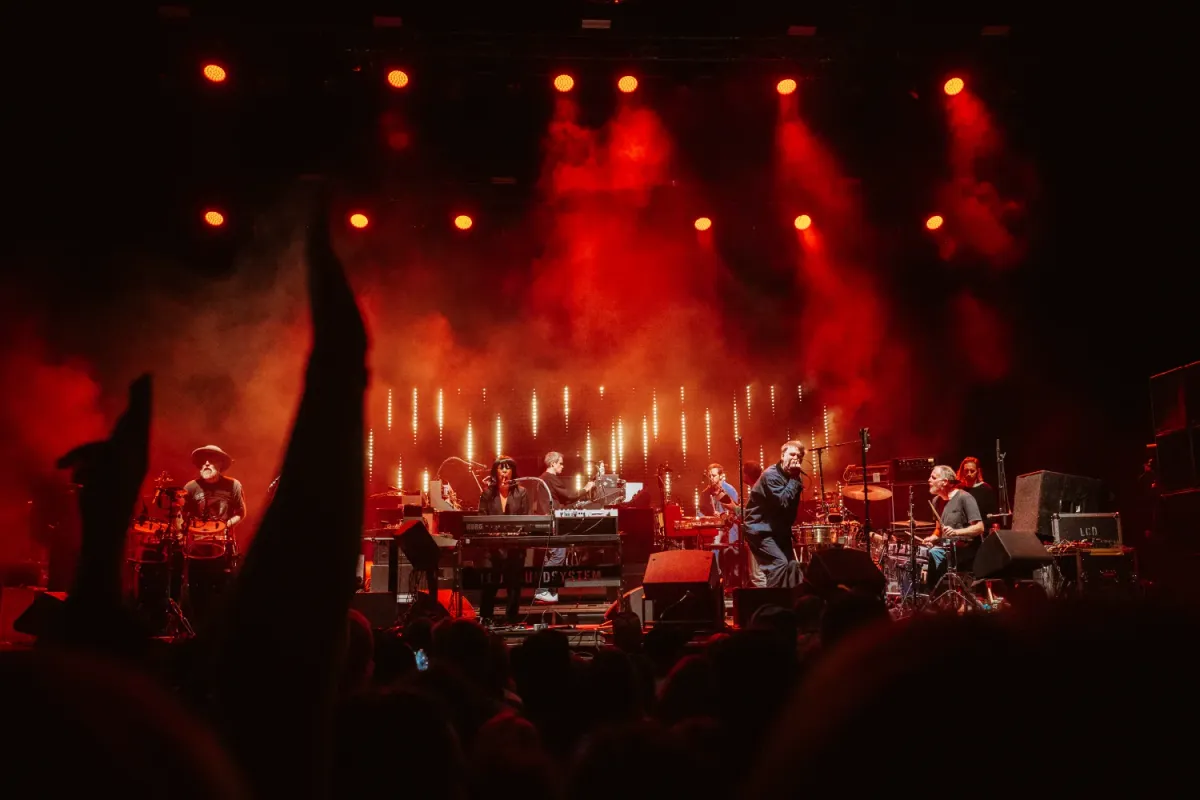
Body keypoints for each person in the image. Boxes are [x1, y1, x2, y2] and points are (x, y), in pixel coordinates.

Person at [531, 451, 595, 605]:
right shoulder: (549, 477)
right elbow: (569, 495)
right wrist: (586, 488)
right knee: (559, 555)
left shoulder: (543, 479)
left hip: (547, 522)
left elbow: (560, 501)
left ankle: (547, 591)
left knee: (551, 557)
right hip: (552, 523)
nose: (562, 466)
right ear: (553, 464)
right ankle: (542, 590)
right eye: (560, 463)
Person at [743, 441, 806, 588]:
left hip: (778, 530)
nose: (795, 458)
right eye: (792, 454)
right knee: (779, 566)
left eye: (799, 456)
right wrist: (794, 479)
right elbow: (782, 502)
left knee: (792, 566)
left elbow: (791, 508)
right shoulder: (771, 475)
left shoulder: (794, 477)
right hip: (760, 530)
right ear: (782, 456)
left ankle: (792, 600)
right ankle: (774, 600)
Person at [477, 455, 530, 625]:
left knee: (513, 585)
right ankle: (486, 618)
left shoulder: (522, 492)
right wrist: (491, 534)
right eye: (501, 468)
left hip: (514, 547)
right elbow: (481, 518)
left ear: (513, 472)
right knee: (489, 584)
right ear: (495, 471)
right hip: (492, 548)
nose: (505, 471)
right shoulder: (487, 494)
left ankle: (511, 619)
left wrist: (516, 534)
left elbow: (526, 517)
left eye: (508, 468)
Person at [920, 465, 985, 592]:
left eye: (933, 477)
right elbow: (938, 529)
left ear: (945, 482)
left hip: (965, 550)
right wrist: (933, 537)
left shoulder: (964, 497)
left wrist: (956, 532)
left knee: (934, 554)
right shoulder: (936, 501)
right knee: (922, 554)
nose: (929, 480)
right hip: (947, 549)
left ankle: (933, 595)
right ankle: (931, 595)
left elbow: (979, 528)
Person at [183, 445, 247, 528]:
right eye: (203, 461)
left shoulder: (234, 485)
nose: (207, 464)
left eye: (212, 461)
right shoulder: (190, 487)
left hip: (223, 534)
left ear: (220, 464)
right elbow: (182, 514)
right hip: (197, 534)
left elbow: (240, 513)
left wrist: (225, 527)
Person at [700, 463, 741, 586]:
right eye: (710, 476)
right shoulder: (705, 493)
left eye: (714, 476)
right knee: (713, 551)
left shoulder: (730, 490)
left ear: (721, 476)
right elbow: (701, 512)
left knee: (731, 558)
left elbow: (735, 512)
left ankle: (732, 584)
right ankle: (716, 580)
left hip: (730, 529)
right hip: (714, 529)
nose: (711, 478)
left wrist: (722, 515)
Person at [957, 456, 999, 533]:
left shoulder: (986, 489)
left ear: (977, 471)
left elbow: (992, 515)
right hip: (960, 531)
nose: (969, 474)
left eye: (972, 471)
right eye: (966, 470)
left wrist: (978, 526)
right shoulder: (958, 489)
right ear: (962, 471)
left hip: (979, 531)